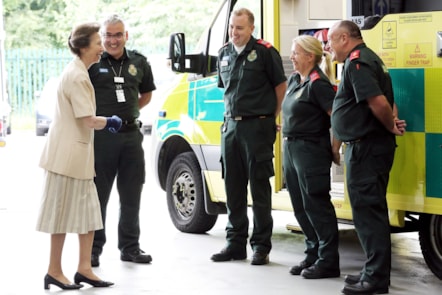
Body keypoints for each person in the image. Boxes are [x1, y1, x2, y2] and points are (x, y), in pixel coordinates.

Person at [36, 22, 120, 290]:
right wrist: (110, 121)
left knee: (89, 213)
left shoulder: (79, 71)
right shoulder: (77, 76)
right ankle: (54, 271)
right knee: (60, 215)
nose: (101, 48)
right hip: (67, 158)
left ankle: (84, 268)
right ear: (84, 47)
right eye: (97, 43)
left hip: (76, 157)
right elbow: (87, 119)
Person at [327, 20, 406, 294]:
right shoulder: (369, 59)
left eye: (330, 41)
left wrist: (389, 125)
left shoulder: (357, 61)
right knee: (369, 212)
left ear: (345, 39)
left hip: (367, 148)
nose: (328, 47)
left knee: (369, 213)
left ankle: (375, 279)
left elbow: (379, 102)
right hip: (370, 147)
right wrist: (391, 122)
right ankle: (372, 270)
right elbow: (387, 101)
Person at [211, 7, 287, 265]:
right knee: (233, 188)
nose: (234, 32)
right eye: (232, 27)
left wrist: (272, 116)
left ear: (252, 28)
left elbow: (281, 86)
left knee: (259, 189)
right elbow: (228, 90)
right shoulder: (223, 53)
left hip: (257, 128)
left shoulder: (265, 52)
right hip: (231, 128)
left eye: (240, 28)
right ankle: (235, 244)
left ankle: (261, 246)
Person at [88, 14, 156, 267]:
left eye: (118, 35)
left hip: (130, 136)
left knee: (131, 194)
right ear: (101, 36)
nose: (113, 40)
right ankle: (93, 249)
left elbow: (146, 93)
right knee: (98, 196)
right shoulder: (93, 62)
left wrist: (128, 114)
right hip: (102, 137)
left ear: (126, 36)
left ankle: (130, 247)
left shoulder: (139, 61)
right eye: (108, 35)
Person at [282, 35, 341, 279]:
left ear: (309, 56)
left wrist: (335, 148)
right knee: (300, 205)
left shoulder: (319, 84)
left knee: (316, 204)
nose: (292, 57)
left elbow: (336, 117)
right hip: (291, 148)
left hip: (311, 150)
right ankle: (313, 252)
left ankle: (328, 260)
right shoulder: (296, 79)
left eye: (295, 53)